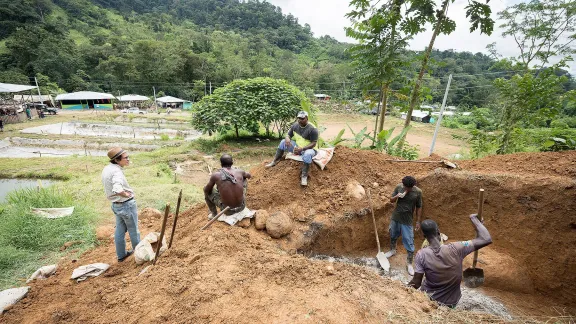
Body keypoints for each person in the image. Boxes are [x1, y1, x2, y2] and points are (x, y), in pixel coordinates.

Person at [408, 215, 492, 307]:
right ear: (438, 231)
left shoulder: (421, 255)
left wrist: (402, 290)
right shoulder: (457, 248)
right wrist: (475, 221)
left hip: (429, 303)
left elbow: (416, 283)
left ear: (424, 236)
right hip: (451, 303)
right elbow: (485, 239)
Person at [101, 147, 140, 262]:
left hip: (116, 205)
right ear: (117, 160)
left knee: (119, 230)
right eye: (125, 158)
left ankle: (121, 255)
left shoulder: (107, 168)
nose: (128, 159)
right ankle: (139, 254)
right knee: (134, 230)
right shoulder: (117, 171)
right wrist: (126, 195)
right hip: (125, 205)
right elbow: (117, 188)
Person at [265, 111, 318, 186]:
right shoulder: (295, 126)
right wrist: (287, 138)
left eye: (302, 118)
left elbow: (314, 143)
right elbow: (288, 135)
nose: (300, 120)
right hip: (298, 147)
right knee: (283, 142)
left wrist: (302, 149)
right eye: (298, 118)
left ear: (307, 118)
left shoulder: (312, 129)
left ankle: (304, 176)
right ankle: (275, 161)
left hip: (310, 149)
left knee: (307, 154)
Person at [384, 176, 423, 275]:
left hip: (407, 220)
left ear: (413, 186)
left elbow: (419, 207)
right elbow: (391, 200)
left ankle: (409, 263)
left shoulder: (418, 192)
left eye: (408, 188)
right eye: (405, 187)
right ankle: (392, 250)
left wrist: (418, 221)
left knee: (409, 240)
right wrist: (397, 196)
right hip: (396, 217)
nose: (406, 189)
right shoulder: (399, 187)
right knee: (393, 233)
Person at [204, 154, 251, 219]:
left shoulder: (216, 175)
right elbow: (249, 175)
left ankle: (214, 214)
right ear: (232, 162)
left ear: (221, 163)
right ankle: (238, 198)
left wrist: (220, 188)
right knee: (244, 178)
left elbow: (207, 190)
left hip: (228, 211)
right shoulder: (240, 171)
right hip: (241, 207)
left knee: (206, 189)